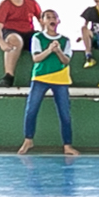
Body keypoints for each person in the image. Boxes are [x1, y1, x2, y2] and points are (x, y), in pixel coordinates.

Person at [17, 10, 79, 156]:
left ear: (58, 21)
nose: (51, 19)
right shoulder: (37, 37)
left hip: (60, 78)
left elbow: (66, 60)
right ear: (43, 21)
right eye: (48, 17)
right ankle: (28, 139)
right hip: (40, 77)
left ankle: (67, 145)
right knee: (31, 109)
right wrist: (49, 50)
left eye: (54, 17)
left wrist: (58, 51)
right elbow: (36, 58)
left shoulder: (65, 40)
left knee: (64, 113)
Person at [0, 0, 41, 88]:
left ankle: (45, 76)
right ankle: (9, 76)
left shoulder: (31, 2)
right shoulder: (5, 5)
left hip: (28, 33)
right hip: (11, 33)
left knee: (42, 40)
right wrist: (1, 43)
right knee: (15, 40)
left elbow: (42, 20)